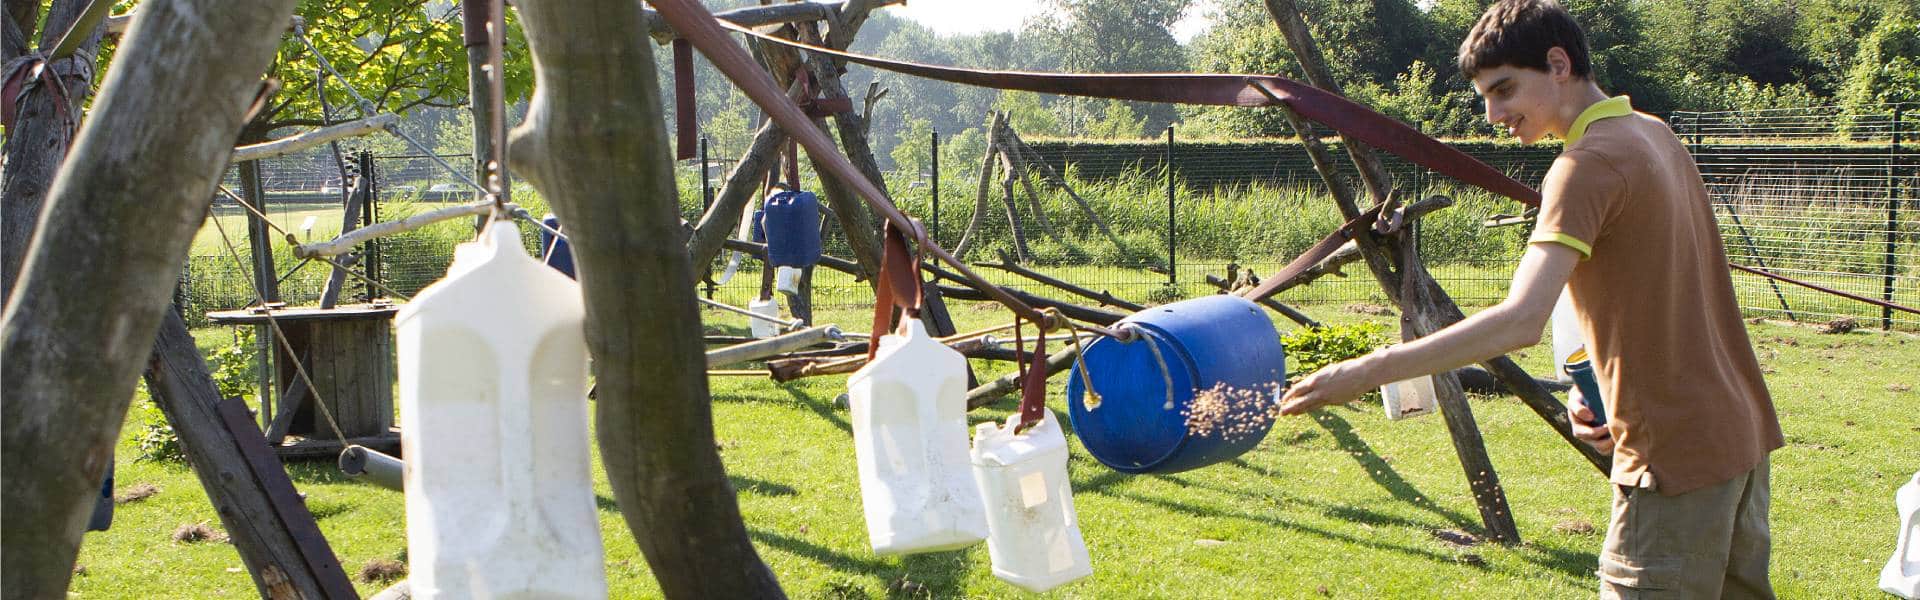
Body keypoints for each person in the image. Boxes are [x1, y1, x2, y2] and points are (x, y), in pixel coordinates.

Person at [1274, 1, 1784, 597]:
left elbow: (1520, 321)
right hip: (1738, 436)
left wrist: (1367, 370)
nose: (1493, 114)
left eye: (1505, 89)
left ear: (1559, 65)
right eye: (1485, 97)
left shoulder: (1584, 166)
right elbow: (1645, 285)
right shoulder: (1653, 133)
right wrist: (1596, 386)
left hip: (1672, 457)